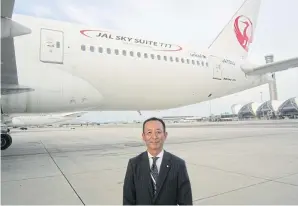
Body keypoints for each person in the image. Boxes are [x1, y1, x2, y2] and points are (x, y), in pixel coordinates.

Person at [123, 117, 193, 205]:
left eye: (158, 132)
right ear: (143, 136)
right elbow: (128, 201)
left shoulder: (178, 164)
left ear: (165, 135)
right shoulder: (134, 164)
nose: (154, 137)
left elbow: (186, 202)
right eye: (149, 132)